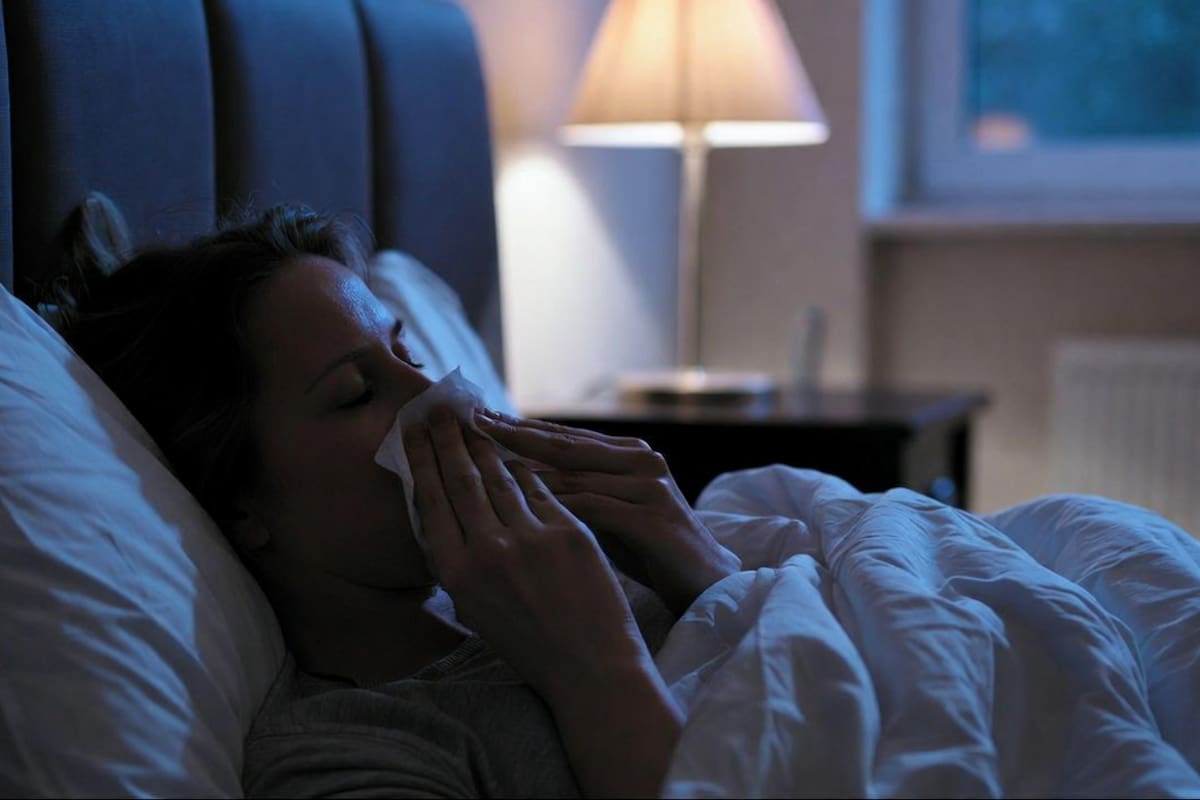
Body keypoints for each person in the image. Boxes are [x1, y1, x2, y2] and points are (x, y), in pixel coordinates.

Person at [60, 195, 741, 798]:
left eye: (408, 356)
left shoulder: (590, 569)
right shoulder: (350, 758)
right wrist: (596, 668)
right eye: (355, 394)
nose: (434, 396)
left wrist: (711, 577)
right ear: (242, 505)